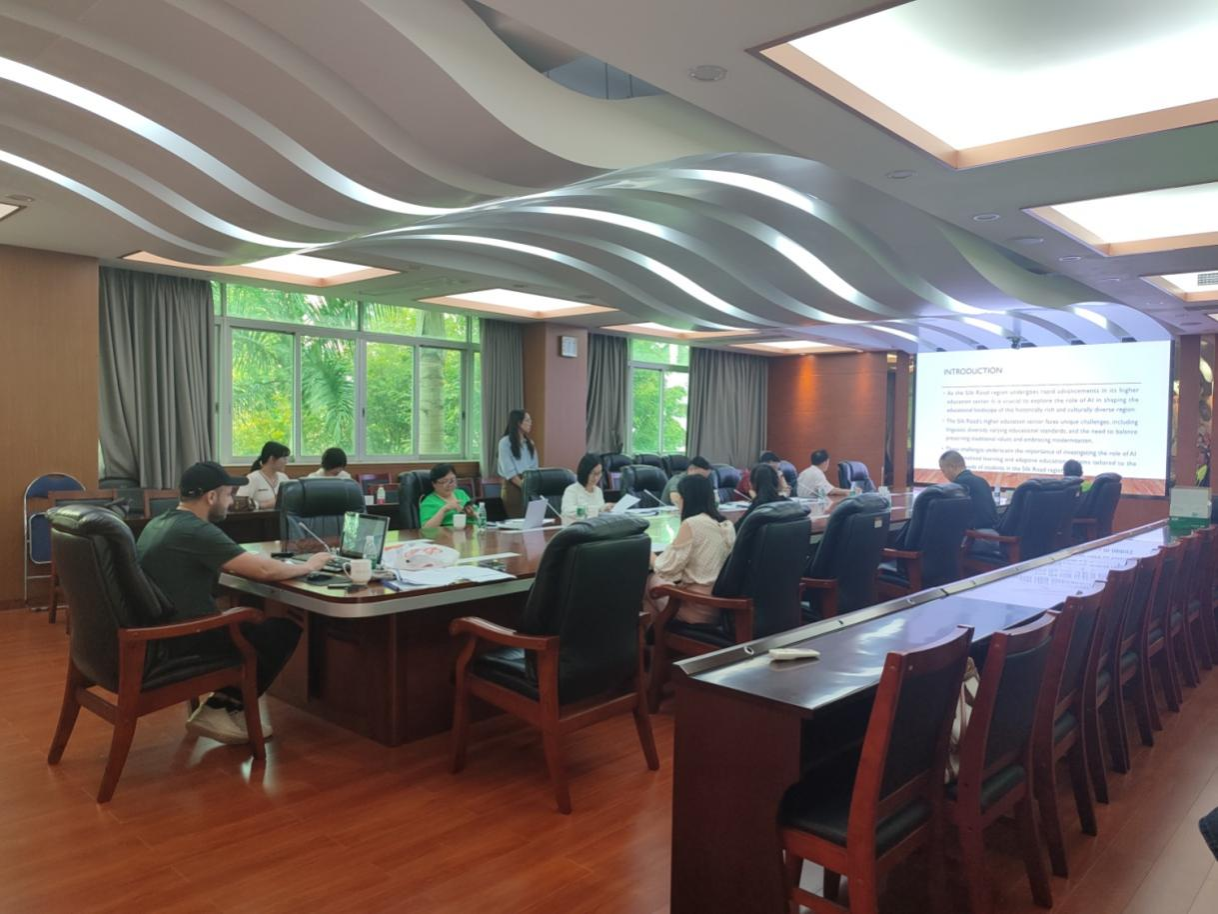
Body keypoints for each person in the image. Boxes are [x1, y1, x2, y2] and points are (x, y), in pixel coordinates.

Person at [136, 461, 331, 745]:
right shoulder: (196, 531)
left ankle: (224, 705)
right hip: (186, 637)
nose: (230, 502)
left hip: (161, 631)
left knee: (253, 624)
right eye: (228, 495)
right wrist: (309, 566)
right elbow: (262, 570)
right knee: (281, 631)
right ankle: (222, 708)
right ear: (211, 497)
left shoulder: (160, 522)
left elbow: (236, 563)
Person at [645, 474, 736, 626]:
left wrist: (647, 551)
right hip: (722, 606)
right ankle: (657, 636)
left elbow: (664, 568)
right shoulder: (727, 524)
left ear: (685, 499)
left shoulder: (693, 523)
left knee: (650, 581)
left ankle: (653, 638)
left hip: (698, 606)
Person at [939, 450, 999, 530]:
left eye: (943, 471)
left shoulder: (958, 484)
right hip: (993, 531)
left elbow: (953, 516)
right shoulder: (982, 481)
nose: (944, 475)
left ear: (952, 467)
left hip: (975, 534)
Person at [497, 409, 538, 518]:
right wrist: (525, 487)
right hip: (513, 487)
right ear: (519, 423)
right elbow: (509, 472)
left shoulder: (530, 443)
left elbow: (534, 468)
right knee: (516, 521)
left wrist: (531, 487)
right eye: (527, 420)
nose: (531, 423)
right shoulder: (505, 443)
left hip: (528, 485)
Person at [420, 463, 475, 528]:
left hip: (469, 530)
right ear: (434, 484)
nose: (449, 485)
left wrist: (472, 514)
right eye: (444, 481)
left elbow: (479, 516)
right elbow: (426, 528)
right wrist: (444, 510)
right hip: (446, 532)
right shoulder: (429, 502)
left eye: (452, 480)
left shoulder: (461, 493)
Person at [238, 441, 290, 508]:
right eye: (284, 458)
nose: (286, 462)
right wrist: (264, 504)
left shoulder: (284, 477)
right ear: (272, 458)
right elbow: (240, 503)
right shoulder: (252, 478)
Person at [561, 453, 607, 519]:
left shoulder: (598, 491)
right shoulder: (571, 490)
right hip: (576, 524)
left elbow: (600, 513)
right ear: (585, 472)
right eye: (593, 473)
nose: (596, 478)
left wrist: (605, 509)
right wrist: (595, 509)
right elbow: (568, 511)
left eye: (598, 473)